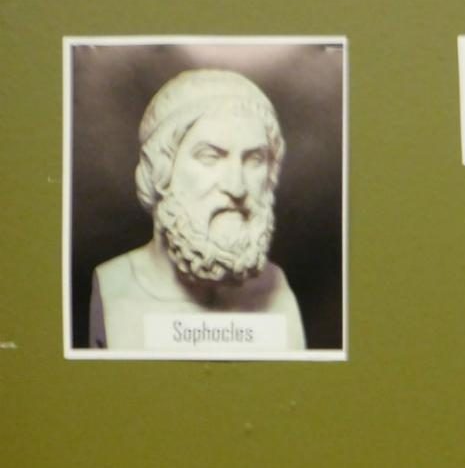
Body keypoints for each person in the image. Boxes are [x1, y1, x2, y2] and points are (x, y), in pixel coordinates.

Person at [88, 68, 305, 350]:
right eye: (210, 157)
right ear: (159, 172)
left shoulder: (277, 293)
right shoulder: (115, 290)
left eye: (254, 159)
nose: (237, 188)